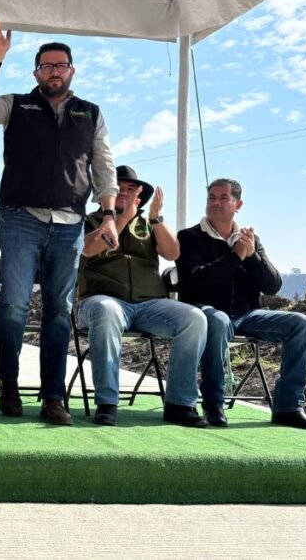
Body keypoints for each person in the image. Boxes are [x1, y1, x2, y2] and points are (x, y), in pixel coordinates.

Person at [0, 13, 118, 426]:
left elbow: (104, 167)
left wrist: (106, 217)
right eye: (47, 65)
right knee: (14, 306)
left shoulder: (90, 113)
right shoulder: (18, 105)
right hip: (21, 218)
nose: (55, 71)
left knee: (58, 311)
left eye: (61, 65)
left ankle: (54, 397)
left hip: (71, 223)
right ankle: (8, 385)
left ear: (72, 71)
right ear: (37, 71)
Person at [176, 178, 306, 431]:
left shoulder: (250, 238)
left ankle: (288, 407)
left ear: (238, 204)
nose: (215, 202)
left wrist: (253, 255)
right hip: (207, 312)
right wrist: (235, 257)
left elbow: (272, 285)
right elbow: (193, 282)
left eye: (223, 198)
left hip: (247, 316)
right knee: (218, 320)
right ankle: (213, 404)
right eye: (211, 197)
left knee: (301, 324)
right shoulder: (189, 237)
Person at [77, 166, 208, 427]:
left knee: (195, 318)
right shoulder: (90, 221)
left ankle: (180, 404)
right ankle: (107, 402)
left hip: (149, 304)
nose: (124, 193)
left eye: (130, 189)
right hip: (102, 300)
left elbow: (173, 254)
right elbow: (88, 249)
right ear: (106, 193)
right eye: (118, 188)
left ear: (140, 195)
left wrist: (157, 219)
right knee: (106, 310)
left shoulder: (149, 225)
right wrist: (121, 219)